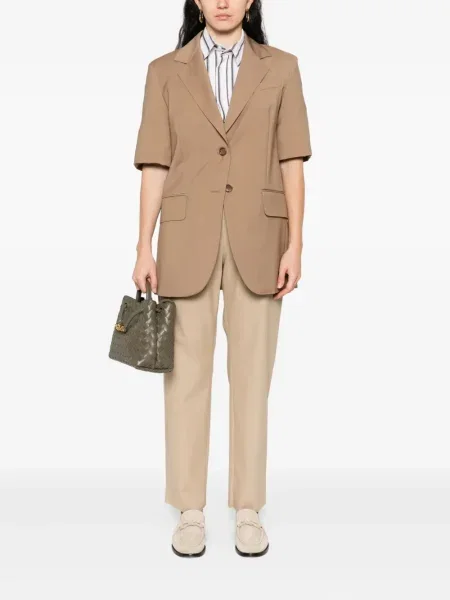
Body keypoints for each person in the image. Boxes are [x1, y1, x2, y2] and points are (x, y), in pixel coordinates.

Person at [132, 0, 311, 558]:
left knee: (252, 377)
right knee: (184, 377)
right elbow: (156, 163)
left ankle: (248, 507)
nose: (224, 1)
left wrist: (296, 242)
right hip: (186, 239)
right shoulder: (164, 72)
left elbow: (292, 160)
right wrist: (142, 245)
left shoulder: (283, 68)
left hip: (261, 237)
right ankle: (190, 509)